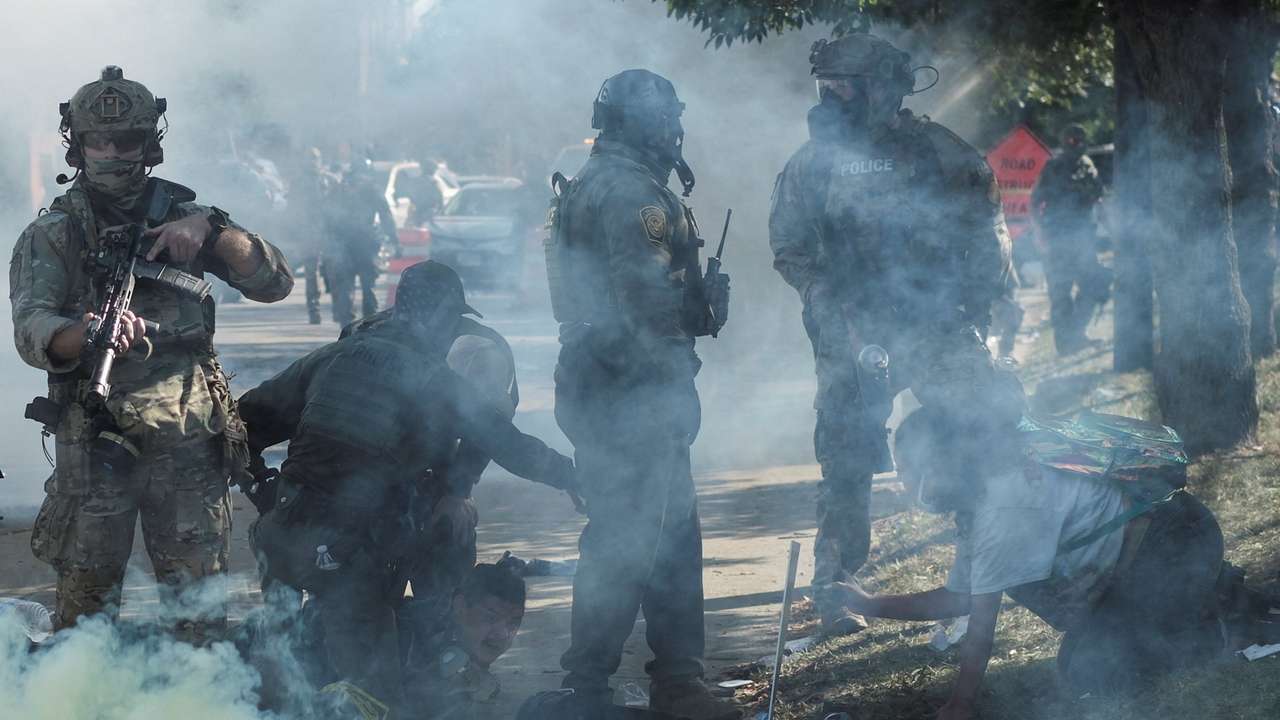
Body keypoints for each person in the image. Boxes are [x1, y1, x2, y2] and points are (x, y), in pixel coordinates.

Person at [10, 66, 294, 639]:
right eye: (99, 141)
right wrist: (87, 334)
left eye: (128, 141)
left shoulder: (189, 216)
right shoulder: (55, 233)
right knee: (85, 623)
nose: (113, 154)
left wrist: (212, 234)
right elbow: (31, 327)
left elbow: (275, 281)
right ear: (78, 143)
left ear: (151, 144)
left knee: (199, 615)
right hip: (94, 440)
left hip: (188, 436)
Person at [237, 260, 578, 712]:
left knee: (281, 666)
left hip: (281, 541)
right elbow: (509, 444)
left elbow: (242, 422)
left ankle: (278, 687)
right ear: (442, 319)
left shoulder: (337, 353)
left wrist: (261, 487)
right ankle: (429, 671)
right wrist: (573, 476)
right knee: (375, 695)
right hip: (349, 561)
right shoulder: (435, 379)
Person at [768, 34, 1020, 636]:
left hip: (936, 326)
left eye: (842, 86)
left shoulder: (940, 153)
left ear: (882, 89)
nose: (828, 98)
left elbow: (988, 235)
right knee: (846, 460)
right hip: (854, 336)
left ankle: (991, 568)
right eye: (823, 87)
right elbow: (789, 248)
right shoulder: (811, 164)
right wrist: (827, 300)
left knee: (982, 432)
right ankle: (835, 594)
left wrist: (975, 310)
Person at [822, 407, 1280, 720]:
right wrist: (868, 603)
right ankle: (1219, 597)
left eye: (907, 468)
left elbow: (980, 625)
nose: (903, 482)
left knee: (1096, 672)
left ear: (940, 464)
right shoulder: (981, 497)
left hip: (1174, 544)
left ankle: (1226, 623)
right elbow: (960, 596)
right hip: (1156, 553)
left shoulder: (1004, 507)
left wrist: (961, 703)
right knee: (1088, 662)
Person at [545, 68, 735, 720]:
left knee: (649, 533)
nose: (676, 130)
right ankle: (648, 684)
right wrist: (678, 362)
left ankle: (607, 684)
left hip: (600, 381)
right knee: (642, 538)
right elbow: (644, 301)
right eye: (668, 119)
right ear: (647, 122)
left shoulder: (595, 181)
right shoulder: (634, 194)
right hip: (631, 387)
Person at [339, 298, 520, 663]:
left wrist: (456, 492)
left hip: (435, 484)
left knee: (444, 587)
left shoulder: (481, 348)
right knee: (367, 606)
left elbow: (488, 427)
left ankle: (445, 666)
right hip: (369, 487)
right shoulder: (362, 335)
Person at [400, 562, 528, 718]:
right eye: (490, 618)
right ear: (460, 607)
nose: (502, 634)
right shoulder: (404, 642)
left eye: (513, 622)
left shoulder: (459, 648)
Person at [1030, 124, 1110, 354]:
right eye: (1071, 140)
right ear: (1064, 142)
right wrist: (1039, 234)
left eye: (1080, 140)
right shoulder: (1053, 167)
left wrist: (1114, 231)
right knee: (1060, 292)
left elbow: (1099, 201)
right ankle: (1066, 344)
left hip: (1083, 237)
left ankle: (1075, 333)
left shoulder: (1087, 166)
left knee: (1094, 284)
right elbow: (1035, 203)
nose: (1076, 144)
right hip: (1057, 238)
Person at [322, 156, 399, 325]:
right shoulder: (371, 187)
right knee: (368, 285)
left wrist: (328, 240)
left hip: (344, 242)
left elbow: (326, 215)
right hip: (365, 242)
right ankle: (369, 325)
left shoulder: (340, 187)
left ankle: (346, 323)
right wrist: (394, 240)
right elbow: (386, 215)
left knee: (345, 285)